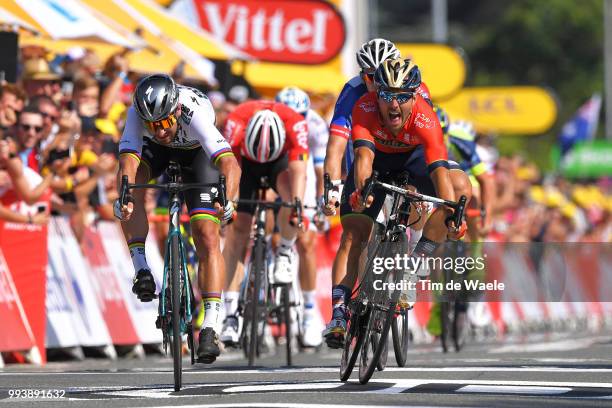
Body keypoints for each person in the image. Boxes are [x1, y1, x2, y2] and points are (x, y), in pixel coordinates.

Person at [323, 58, 469, 348]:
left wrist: (454, 216)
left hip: (414, 160)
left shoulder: (426, 119)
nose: (394, 105)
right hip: (377, 161)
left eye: (402, 97)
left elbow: (440, 174)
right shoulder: (363, 108)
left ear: (415, 96)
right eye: (387, 96)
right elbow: (363, 160)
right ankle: (338, 313)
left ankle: (414, 267)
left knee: (458, 190)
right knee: (353, 233)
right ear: (377, 94)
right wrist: (362, 191)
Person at [114, 74, 241, 364]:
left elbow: (229, 163)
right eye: (151, 125)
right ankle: (142, 269)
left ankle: (210, 324)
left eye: (163, 123)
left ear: (177, 111)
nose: (158, 131)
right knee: (129, 188)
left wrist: (229, 200)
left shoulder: (194, 113)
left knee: (207, 233)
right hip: (156, 156)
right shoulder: (138, 111)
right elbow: (128, 159)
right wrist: (125, 196)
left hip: (196, 155)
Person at [220, 99, 309, 347]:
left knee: (292, 202)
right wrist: (229, 204)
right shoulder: (235, 122)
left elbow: (299, 171)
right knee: (238, 230)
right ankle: (229, 315)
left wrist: (297, 208)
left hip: (279, 163)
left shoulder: (296, 124)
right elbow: (228, 170)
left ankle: (283, 252)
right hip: (244, 164)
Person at [275, 86, 329, 347]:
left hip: (303, 170)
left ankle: (308, 311)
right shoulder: (268, 119)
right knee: (260, 234)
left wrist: (320, 205)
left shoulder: (316, 125)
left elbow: (320, 174)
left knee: (306, 242)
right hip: (273, 165)